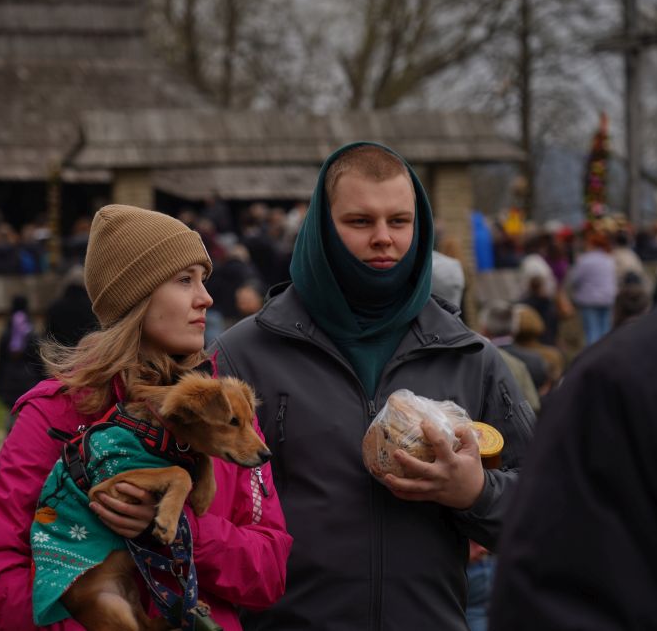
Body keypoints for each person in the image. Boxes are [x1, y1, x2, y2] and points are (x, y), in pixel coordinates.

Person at [211, 142, 535, 631]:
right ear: (322, 228)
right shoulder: (243, 356)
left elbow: (545, 512)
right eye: (360, 221)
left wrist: (475, 492)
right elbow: (206, 518)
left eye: (399, 221)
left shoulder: (470, 357)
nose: (384, 238)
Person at [0, 204, 291, 631]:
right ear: (136, 298)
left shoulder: (226, 413)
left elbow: (269, 573)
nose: (205, 297)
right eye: (184, 280)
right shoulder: (56, 412)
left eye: (203, 279)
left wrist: (185, 531)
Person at [489, 223, 657, 630]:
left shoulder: (621, 379)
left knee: (596, 332)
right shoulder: (621, 387)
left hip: (599, 313)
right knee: (597, 331)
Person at [566, 228, 616, 346]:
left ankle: (594, 355)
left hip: (589, 300)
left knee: (592, 332)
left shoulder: (584, 260)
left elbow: (574, 279)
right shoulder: (608, 259)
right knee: (605, 330)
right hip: (607, 298)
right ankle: (606, 353)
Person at [0, 295, 43, 413]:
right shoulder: (31, 333)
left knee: (12, 415)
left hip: (9, 382)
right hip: (29, 381)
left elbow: (0, 361)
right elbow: (38, 361)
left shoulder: (6, 333)